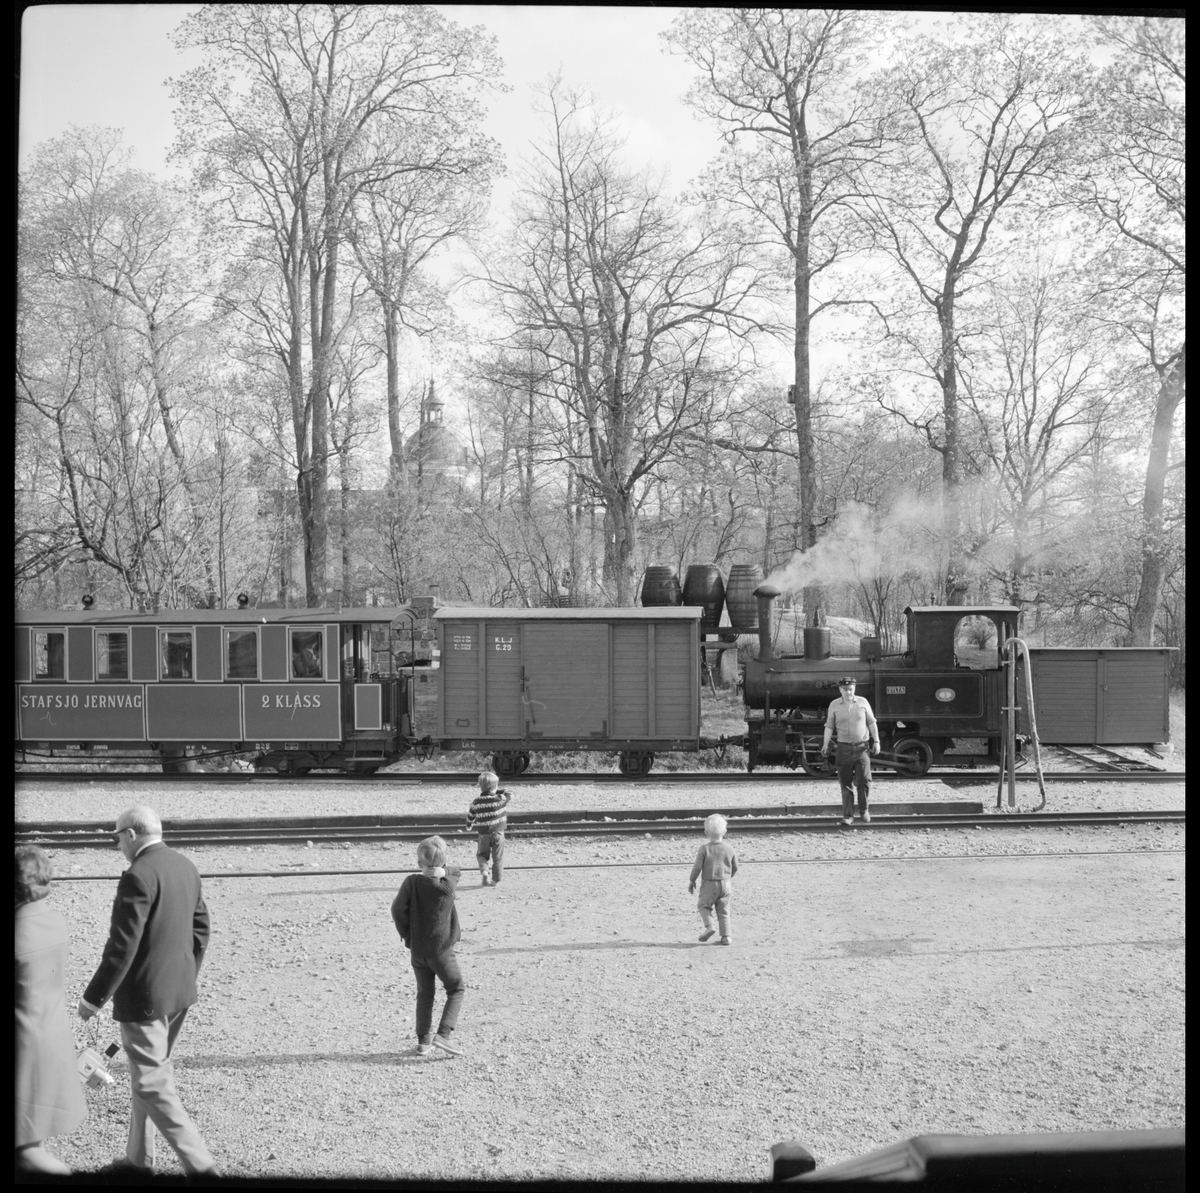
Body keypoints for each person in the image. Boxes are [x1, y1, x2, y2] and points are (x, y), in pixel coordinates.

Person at [78, 806, 218, 1178]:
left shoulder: (137, 876)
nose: (117, 845)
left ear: (131, 834)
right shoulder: (184, 865)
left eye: (117, 838)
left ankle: (204, 1170)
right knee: (150, 1074)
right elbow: (201, 929)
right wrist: (185, 975)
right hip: (178, 995)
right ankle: (139, 1161)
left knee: (153, 1085)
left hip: (145, 1000)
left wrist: (93, 998)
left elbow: (122, 947)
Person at [16, 845, 88, 1176]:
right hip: (50, 1037)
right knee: (32, 1139)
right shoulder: (55, 923)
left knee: (24, 1151)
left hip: (22, 1048)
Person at [391, 835, 466, 1058]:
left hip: (418, 949)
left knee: (425, 993)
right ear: (443, 864)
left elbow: (397, 909)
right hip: (441, 949)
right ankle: (443, 1034)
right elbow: (457, 871)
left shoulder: (411, 882)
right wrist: (443, 872)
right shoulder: (447, 886)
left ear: (419, 864)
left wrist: (407, 934)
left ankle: (424, 1041)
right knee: (456, 987)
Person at [821, 676, 880, 825]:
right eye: (845, 689)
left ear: (855, 689)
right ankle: (848, 816)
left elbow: (872, 722)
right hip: (843, 748)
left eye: (851, 689)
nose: (848, 692)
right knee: (845, 784)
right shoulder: (834, 705)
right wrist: (825, 743)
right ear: (840, 689)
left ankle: (864, 810)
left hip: (862, 748)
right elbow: (829, 726)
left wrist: (877, 741)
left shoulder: (863, 702)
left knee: (865, 780)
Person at [688, 814, 739, 946]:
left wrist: (692, 880)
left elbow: (697, 867)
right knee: (724, 910)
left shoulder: (705, 849)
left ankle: (710, 926)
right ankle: (726, 937)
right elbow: (735, 867)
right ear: (725, 831)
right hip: (726, 883)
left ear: (706, 832)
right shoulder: (730, 848)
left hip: (709, 883)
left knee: (703, 906)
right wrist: (728, 877)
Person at [466, 771, 512, 886]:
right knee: (498, 858)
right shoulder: (500, 799)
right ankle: (495, 880)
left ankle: (485, 872)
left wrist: (469, 825)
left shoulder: (476, 802)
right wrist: (500, 790)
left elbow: (470, 815)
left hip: (483, 834)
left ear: (480, 787)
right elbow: (510, 794)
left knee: (482, 855)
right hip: (498, 834)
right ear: (495, 787)